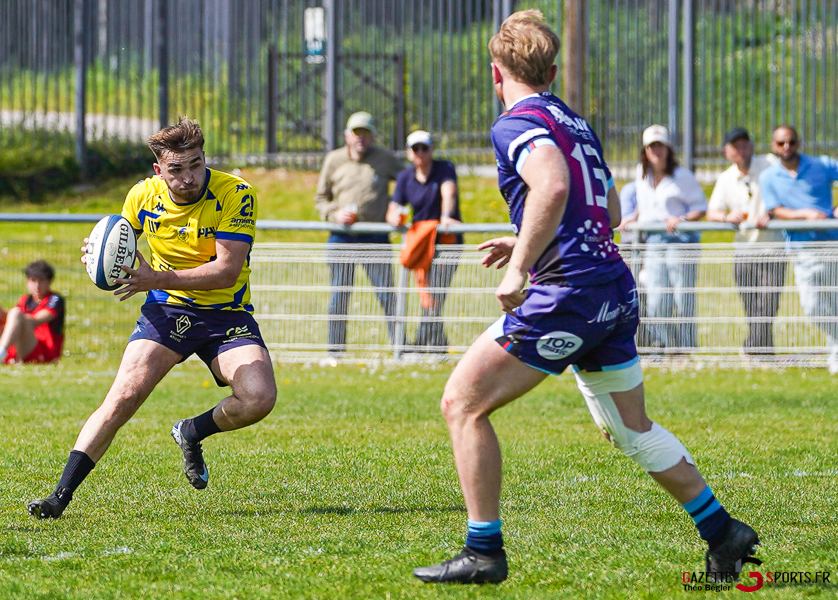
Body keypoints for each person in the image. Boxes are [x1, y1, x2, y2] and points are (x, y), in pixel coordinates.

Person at [413, 10, 758, 585]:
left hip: (566, 293)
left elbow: (551, 184)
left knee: (462, 404)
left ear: (496, 75)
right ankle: (723, 530)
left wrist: (521, 265)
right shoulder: (574, 122)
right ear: (551, 71)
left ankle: (483, 551)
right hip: (612, 289)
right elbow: (612, 212)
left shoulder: (513, 123)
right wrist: (526, 236)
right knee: (630, 429)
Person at [27, 118, 277, 519]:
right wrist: (100, 253)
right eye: (176, 170)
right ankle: (59, 496)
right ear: (158, 171)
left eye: (195, 165)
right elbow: (120, 240)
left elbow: (227, 270)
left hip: (224, 313)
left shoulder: (235, 194)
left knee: (259, 398)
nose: (188, 177)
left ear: (204, 159)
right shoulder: (143, 196)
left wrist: (153, 277)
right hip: (168, 307)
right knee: (123, 397)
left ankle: (192, 431)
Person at [314, 112, 406, 355]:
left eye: (366, 133)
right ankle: (335, 353)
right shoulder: (334, 160)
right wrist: (335, 214)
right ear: (347, 136)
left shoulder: (385, 159)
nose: (361, 138)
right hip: (341, 237)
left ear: (373, 135)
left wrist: (396, 208)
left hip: (375, 236)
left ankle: (400, 349)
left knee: (387, 295)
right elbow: (321, 199)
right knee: (339, 296)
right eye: (356, 133)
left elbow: (408, 182)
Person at [760, 125, 838, 374]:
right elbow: (776, 209)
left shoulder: (821, 165)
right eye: (781, 143)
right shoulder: (768, 177)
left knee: (834, 302)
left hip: (830, 243)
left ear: (799, 143)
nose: (787, 148)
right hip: (801, 247)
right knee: (812, 306)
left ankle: (835, 352)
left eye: (791, 142)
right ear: (773, 146)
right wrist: (803, 214)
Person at [706, 127, 783, 356]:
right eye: (735, 146)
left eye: (744, 144)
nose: (741, 150)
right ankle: (761, 351)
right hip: (743, 250)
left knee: (768, 303)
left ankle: (755, 349)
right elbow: (712, 212)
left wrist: (772, 212)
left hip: (772, 248)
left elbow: (786, 186)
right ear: (726, 151)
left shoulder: (770, 164)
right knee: (750, 305)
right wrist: (726, 217)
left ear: (751, 146)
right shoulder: (726, 178)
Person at [633, 125, 707, 352]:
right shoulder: (641, 174)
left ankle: (686, 349)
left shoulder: (682, 176)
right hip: (653, 242)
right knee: (656, 301)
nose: (656, 151)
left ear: (668, 149)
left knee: (682, 297)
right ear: (645, 150)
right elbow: (644, 205)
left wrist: (682, 218)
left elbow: (701, 206)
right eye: (652, 146)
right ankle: (668, 346)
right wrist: (631, 218)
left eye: (660, 146)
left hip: (680, 241)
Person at [387, 130, 462, 350]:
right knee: (427, 294)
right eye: (415, 149)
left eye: (424, 148)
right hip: (421, 241)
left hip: (445, 241)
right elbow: (394, 207)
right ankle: (436, 345)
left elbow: (449, 192)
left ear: (431, 150)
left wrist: (446, 215)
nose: (420, 153)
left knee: (436, 294)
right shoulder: (405, 177)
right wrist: (393, 217)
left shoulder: (444, 169)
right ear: (409, 153)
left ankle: (423, 344)